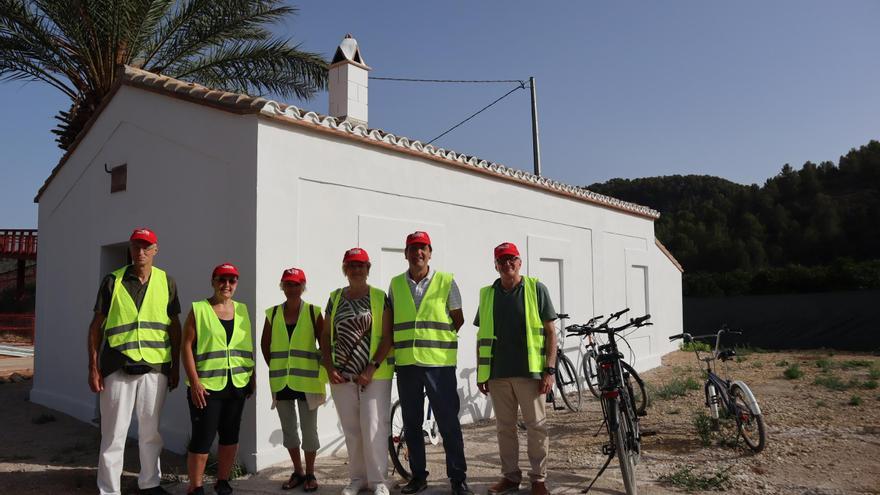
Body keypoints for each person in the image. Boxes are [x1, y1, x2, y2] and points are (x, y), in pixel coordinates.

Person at [88, 227, 181, 495]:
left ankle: (150, 482)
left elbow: (174, 326)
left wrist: (174, 365)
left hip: (155, 367)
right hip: (117, 367)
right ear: (130, 249)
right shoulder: (112, 281)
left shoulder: (168, 282)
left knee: (151, 432)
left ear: (155, 250)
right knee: (113, 434)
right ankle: (109, 490)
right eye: (135, 246)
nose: (140, 252)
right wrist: (93, 367)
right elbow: (96, 326)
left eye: (145, 247)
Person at [388, 231, 471, 495]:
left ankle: (458, 479)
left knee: (448, 423)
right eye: (413, 249)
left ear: (430, 252)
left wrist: (437, 342)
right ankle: (418, 476)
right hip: (407, 364)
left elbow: (458, 319)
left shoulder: (447, 281)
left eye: (422, 248)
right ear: (405, 254)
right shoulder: (395, 284)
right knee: (411, 424)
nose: (418, 253)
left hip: (439, 364)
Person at [474, 243, 558, 495]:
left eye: (511, 259)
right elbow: (482, 336)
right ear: (496, 265)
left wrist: (549, 370)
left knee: (537, 427)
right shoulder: (488, 294)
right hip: (498, 374)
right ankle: (510, 477)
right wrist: (482, 372)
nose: (507, 264)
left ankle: (538, 479)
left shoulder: (536, 289)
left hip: (530, 373)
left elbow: (551, 331)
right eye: (502, 260)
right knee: (504, 428)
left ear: (519, 262)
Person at [320, 248, 395, 495]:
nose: (356, 269)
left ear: (368, 268)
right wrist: (330, 368)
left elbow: (387, 337)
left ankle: (378, 481)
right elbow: (326, 335)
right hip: (342, 376)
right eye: (352, 265)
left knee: (373, 426)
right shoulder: (335, 298)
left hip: (374, 375)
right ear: (345, 269)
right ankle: (357, 479)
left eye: (361, 265)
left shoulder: (379, 296)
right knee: (352, 430)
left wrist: (371, 367)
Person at [181, 263, 255, 495]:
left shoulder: (242, 310)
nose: (227, 285)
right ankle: (196, 486)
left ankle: (223, 481)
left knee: (230, 435)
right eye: (221, 280)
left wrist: (251, 377)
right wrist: (194, 382)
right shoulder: (200, 309)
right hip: (206, 387)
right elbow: (186, 346)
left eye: (232, 280)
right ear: (213, 282)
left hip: (237, 384)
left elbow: (246, 347)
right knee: (203, 438)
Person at [260, 267, 326, 491]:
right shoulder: (273, 313)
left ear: (303, 286)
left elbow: (324, 345)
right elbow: (264, 345)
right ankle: (297, 471)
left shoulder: (313, 312)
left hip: (308, 382)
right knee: (289, 429)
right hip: (282, 382)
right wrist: (279, 368)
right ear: (282, 286)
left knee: (310, 431)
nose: (292, 288)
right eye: (288, 284)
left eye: (296, 284)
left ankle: (310, 473)